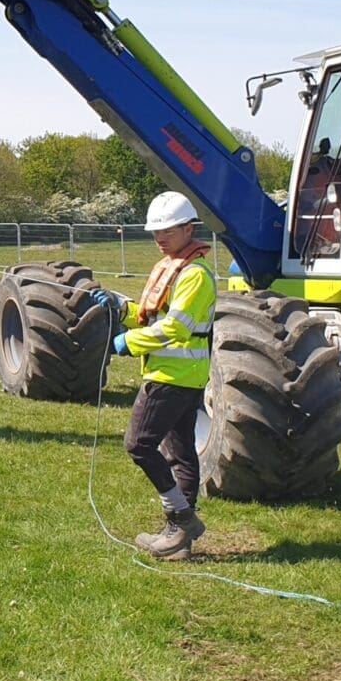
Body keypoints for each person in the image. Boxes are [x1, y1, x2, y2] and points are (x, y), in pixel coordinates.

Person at [90, 191, 216, 559]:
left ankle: (182, 518)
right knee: (179, 452)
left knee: (139, 444)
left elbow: (175, 329)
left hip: (173, 375)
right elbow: (153, 317)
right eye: (155, 232)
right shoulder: (172, 266)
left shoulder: (194, 275)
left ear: (188, 228)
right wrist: (122, 307)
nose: (160, 238)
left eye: (168, 231)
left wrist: (128, 342)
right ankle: (179, 538)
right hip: (178, 373)